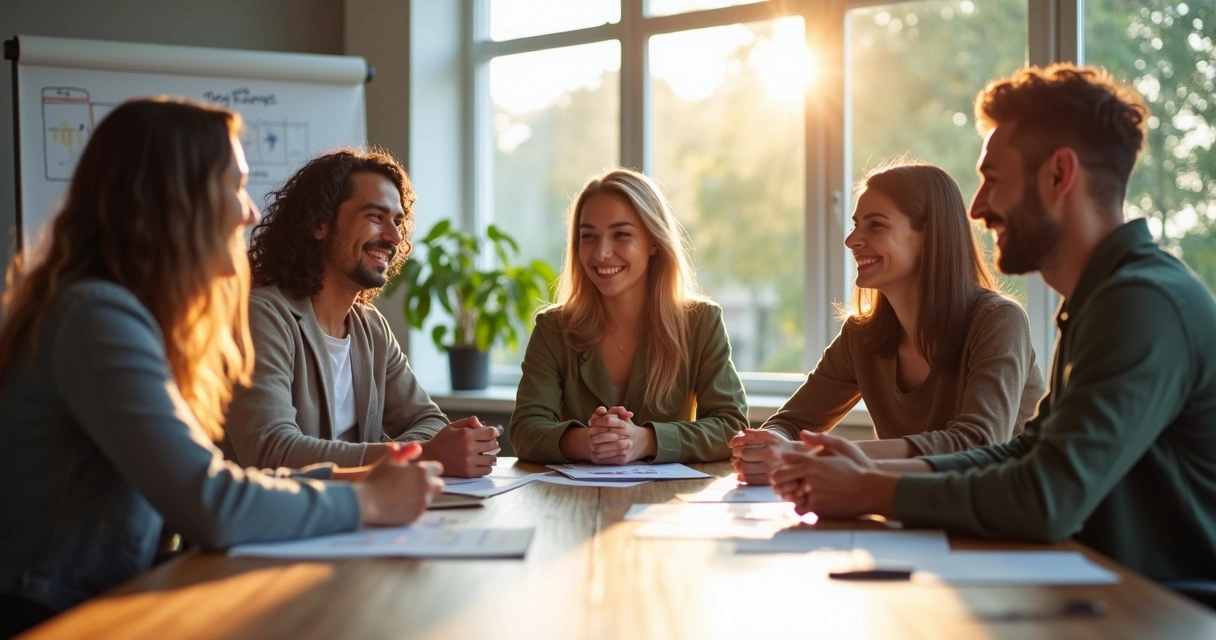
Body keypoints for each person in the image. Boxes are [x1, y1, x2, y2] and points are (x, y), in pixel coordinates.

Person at [0, 98, 444, 635]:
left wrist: (360, 484)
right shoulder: (96, 317)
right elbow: (210, 501)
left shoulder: (121, 313)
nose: (250, 211)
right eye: (234, 186)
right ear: (171, 197)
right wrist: (365, 500)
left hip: (106, 592)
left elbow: (216, 485)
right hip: (52, 613)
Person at [771, 64, 1216, 581]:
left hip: (1166, 613)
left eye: (993, 181)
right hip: (1103, 592)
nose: (978, 209)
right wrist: (863, 470)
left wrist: (867, 487)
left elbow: (1045, 496)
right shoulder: (1103, 298)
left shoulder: (1141, 303)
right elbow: (1027, 453)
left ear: (1058, 175)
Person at [731, 161, 1045, 484]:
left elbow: (978, 443)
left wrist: (825, 455)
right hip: (910, 518)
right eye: (855, 225)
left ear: (928, 237)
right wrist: (771, 444)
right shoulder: (861, 336)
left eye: (876, 226)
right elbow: (792, 422)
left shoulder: (998, 322)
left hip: (1003, 524)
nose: (852, 240)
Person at [223, 149, 500, 478]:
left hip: (360, 517)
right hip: (276, 525)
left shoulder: (371, 327)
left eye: (397, 221)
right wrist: (420, 454)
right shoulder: (262, 316)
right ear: (319, 224)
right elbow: (272, 450)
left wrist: (429, 449)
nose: (395, 236)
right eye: (375, 217)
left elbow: (428, 421)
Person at [509, 168, 748, 464]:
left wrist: (646, 440)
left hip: (668, 503)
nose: (601, 253)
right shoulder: (553, 328)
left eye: (621, 234)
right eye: (589, 236)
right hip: (574, 504)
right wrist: (586, 442)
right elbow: (525, 429)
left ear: (654, 242)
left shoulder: (701, 323)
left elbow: (732, 427)